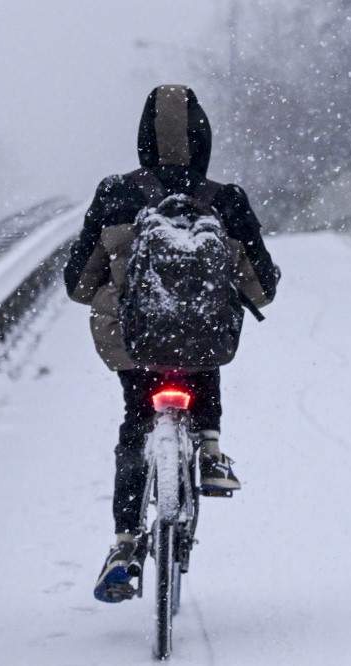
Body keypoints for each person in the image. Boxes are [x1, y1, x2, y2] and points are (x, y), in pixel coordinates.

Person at [63, 84, 279, 602]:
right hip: (203, 345)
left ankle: (123, 543)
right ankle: (208, 448)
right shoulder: (224, 200)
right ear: (203, 138)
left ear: (142, 138)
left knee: (137, 421)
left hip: (132, 342)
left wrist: (116, 288)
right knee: (202, 346)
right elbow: (261, 288)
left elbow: (77, 283)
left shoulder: (115, 193)